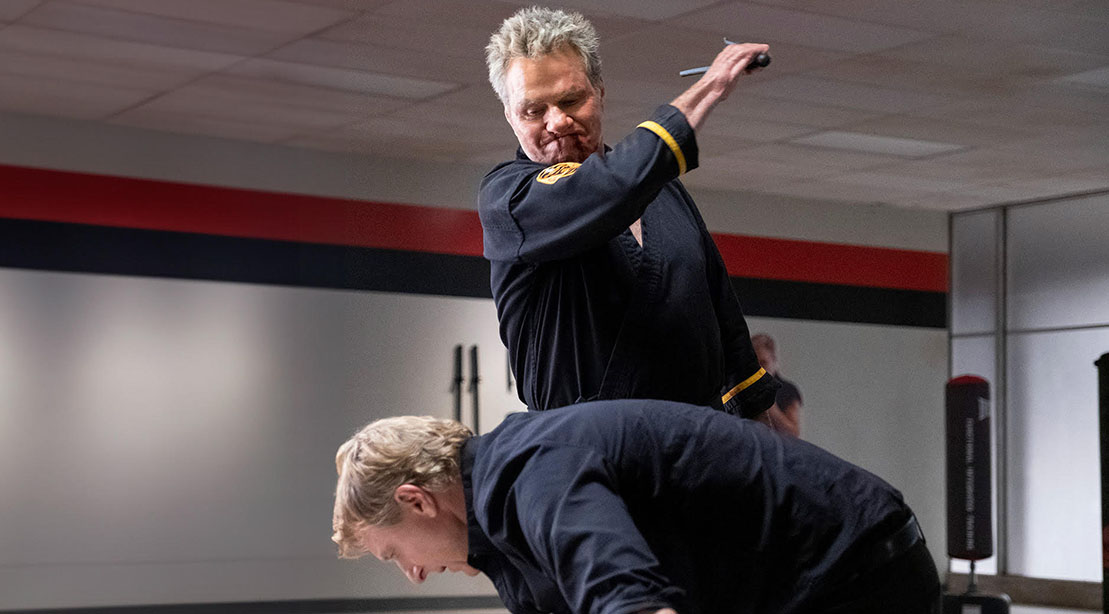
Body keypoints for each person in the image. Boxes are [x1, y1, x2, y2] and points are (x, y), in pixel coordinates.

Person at [332, 400, 941, 614]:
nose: (412, 573)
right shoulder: (502, 534)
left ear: (417, 501)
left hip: (855, 573)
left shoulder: (533, 477)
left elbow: (631, 600)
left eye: (392, 553)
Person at [478, 7, 779, 418]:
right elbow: (608, 189)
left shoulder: (665, 193)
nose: (558, 121)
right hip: (584, 456)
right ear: (511, 116)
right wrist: (709, 88)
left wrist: (758, 449)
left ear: (599, 91)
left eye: (571, 99)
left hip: (695, 447)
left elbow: (727, 328)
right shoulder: (510, 200)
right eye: (534, 110)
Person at [752, 333, 804, 437]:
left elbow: (794, 433)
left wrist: (769, 405)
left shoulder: (788, 391)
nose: (759, 370)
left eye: (764, 363)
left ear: (774, 361)